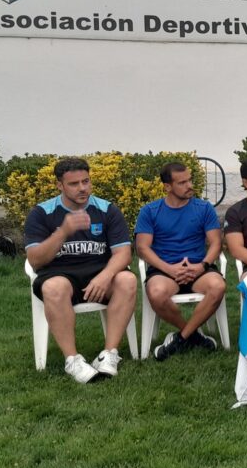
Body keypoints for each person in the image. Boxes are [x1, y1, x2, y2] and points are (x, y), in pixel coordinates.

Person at [24, 157, 137, 383]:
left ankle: (109, 354)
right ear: (60, 185)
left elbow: (123, 254)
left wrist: (105, 276)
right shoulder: (42, 213)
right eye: (74, 184)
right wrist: (63, 232)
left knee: (127, 279)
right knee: (54, 287)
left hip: (100, 274)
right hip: (59, 274)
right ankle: (73, 360)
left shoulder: (107, 210)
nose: (82, 188)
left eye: (86, 181)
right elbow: (35, 260)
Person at [135, 162, 226, 361]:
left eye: (190, 180)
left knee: (218, 286)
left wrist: (202, 266)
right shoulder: (150, 211)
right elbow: (142, 248)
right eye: (182, 182)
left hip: (199, 268)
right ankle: (193, 335)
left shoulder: (204, 208)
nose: (189, 185)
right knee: (156, 292)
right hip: (164, 269)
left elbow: (216, 243)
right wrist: (169, 269)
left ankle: (181, 338)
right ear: (167, 186)